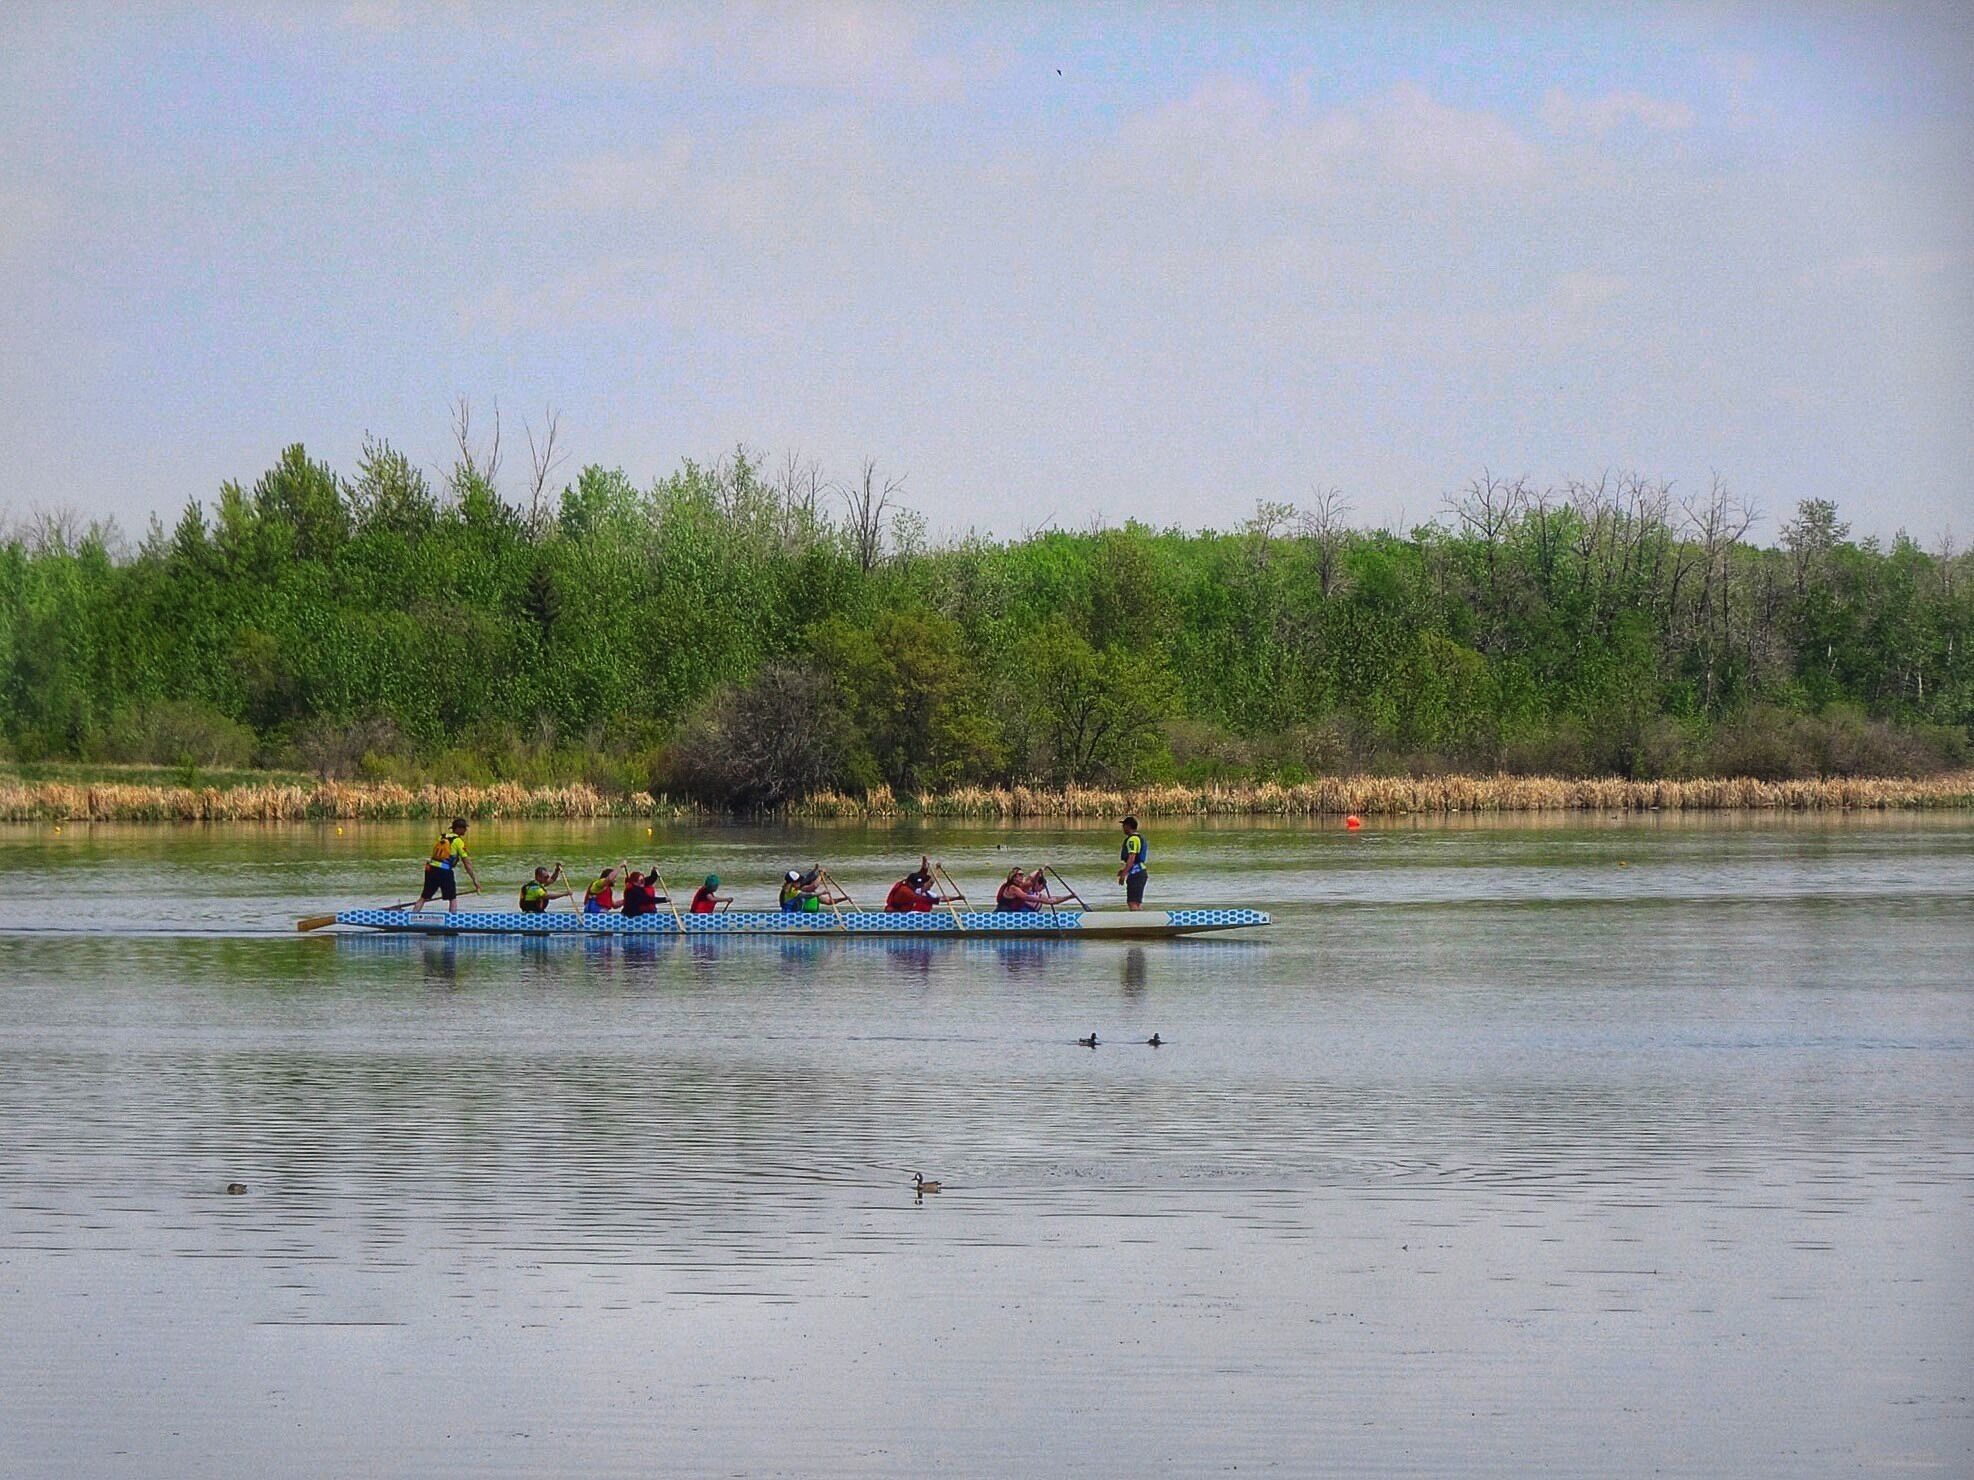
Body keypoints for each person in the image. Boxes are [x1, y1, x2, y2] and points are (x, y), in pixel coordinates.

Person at [414, 817, 480, 913]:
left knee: (424, 897)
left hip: (431, 869)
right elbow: (467, 863)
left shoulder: (441, 837)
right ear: (458, 828)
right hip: (444, 871)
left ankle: (412, 917)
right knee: (452, 898)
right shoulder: (458, 841)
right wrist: (475, 880)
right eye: (464, 828)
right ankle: (452, 921)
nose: (465, 830)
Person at [885, 856, 950, 913]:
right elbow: (921, 899)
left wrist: (925, 866)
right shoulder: (905, 891)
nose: (916, 887)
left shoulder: (909, 882)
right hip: (894, 914)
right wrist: (939, 900)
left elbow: (920, 875)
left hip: (903, 912)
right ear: (910, 883)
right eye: (915, 886)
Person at [995, 867, 1068, 913]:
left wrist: (1040, 871)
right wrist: (1043, 900)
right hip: (1004, 913)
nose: (1022, 876)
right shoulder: (1013, 888)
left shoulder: (1020, 885)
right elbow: (1026, 897)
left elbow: (1032, 882)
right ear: (1014, 877)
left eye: (1022, 874)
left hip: (1009, 912)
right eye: (1020, 875)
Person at [1117, 815, 1149, 911]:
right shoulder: (1138, 838)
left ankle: (1136, 924)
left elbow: (1132, 857)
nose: (1123, 828)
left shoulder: (1132, 840)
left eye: (1124, 826)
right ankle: (1140, 921)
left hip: (1137, 874)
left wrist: (1124, 874)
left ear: (1128, 826)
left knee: (1132, 903)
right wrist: (1124, 870)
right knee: (1136, 902)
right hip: (1139, 872)